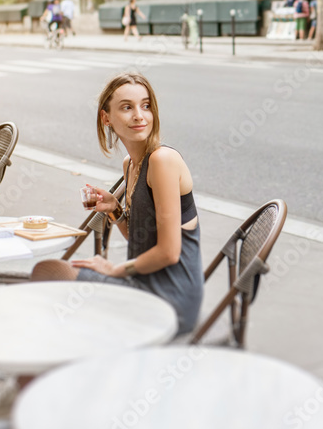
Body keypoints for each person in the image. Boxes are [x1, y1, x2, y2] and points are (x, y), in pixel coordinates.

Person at [30, 73, 204, 336]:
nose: (139, 116)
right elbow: (140, 238)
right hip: (140, 282)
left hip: (169, 297)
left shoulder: (162, 161)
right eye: (127, 107)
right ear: (106, 118)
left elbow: (169, 252)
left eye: (146, 106)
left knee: (52, 272)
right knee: (52, 278)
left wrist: (115, 269)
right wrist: (115, 209)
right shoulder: (131, 164)